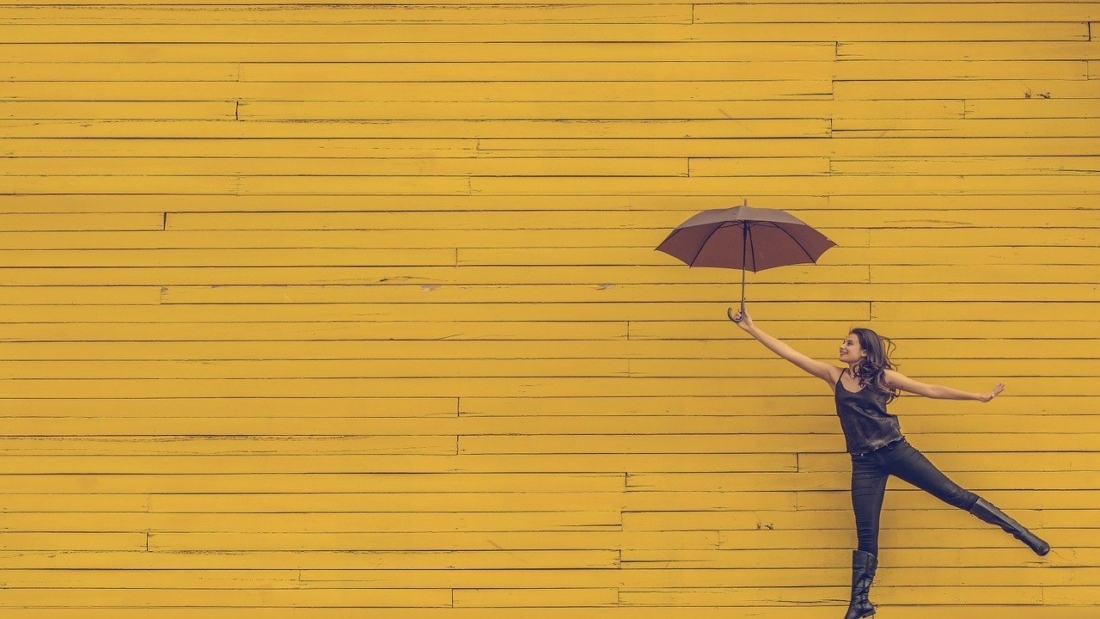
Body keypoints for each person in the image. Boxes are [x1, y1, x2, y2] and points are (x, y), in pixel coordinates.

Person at [728, 308, 1049, 619]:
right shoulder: (833, 375)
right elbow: (790, 353)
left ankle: (1024, 535)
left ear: (865, 352)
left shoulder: (884, 377)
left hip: (896, 451)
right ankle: (860, 603)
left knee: (956, 495)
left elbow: (929, 389)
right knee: (866, 533)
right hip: (864, 463)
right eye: (844, 342)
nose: (842, 346)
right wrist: (752, 328)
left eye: (849, 342)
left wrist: (977, 396)